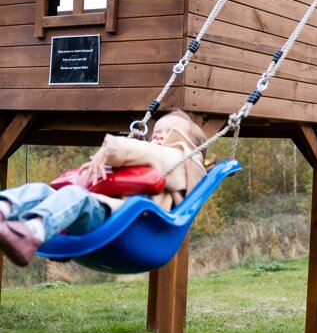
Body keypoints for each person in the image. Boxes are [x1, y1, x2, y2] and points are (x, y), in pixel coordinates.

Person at [0, 110, 207, 267]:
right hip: (100, 214)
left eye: (170, 133)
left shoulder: (180, 158)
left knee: (75, 195)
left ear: (186, 142)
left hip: (125, 226)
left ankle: (31, 233)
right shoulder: (155, 161)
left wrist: (107, 152)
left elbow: (125, 148)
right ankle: (4, 208)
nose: (159, 137)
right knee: (42, 191)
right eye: (156, 133)